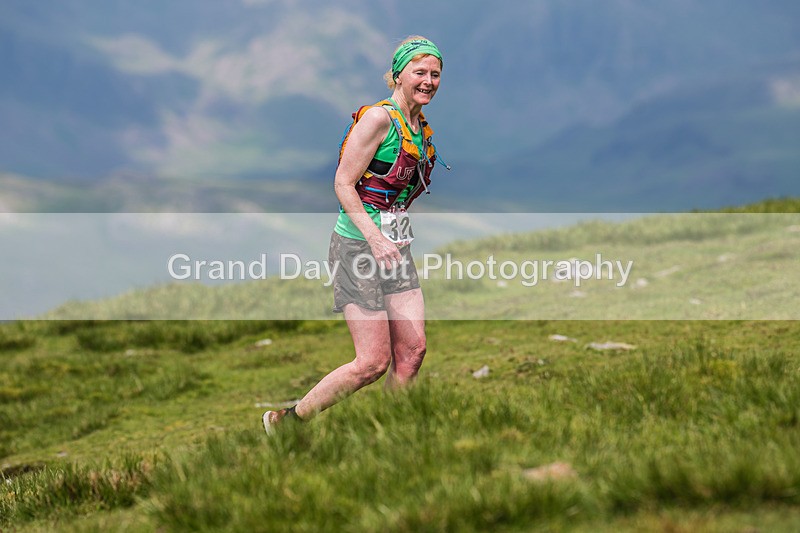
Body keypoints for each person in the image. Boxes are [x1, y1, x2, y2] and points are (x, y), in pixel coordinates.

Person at [263, 36, 445, 433]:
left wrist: (391, 237)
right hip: (357, 248)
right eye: (420, 72)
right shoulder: (379, 119)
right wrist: (375, 238)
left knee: (413, 351)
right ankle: (289, 423)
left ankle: (392, 438)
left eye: (435, 74)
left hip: (396, 250)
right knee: (372, 362)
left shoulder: (418, 126)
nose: (428, 81)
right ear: (398, 75)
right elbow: (344, 183)